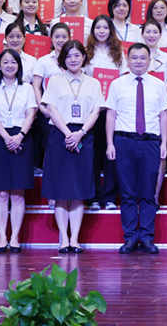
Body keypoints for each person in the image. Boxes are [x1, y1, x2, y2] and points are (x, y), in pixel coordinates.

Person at [105, 43, 167, 254]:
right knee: (128, 193)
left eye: (143, 58)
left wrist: (164, 143)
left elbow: (163, 116)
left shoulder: (158, 85)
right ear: (128, 59)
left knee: (148, 192)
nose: (139, 61)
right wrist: (110, 143)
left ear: (150, 60)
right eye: (134, 57)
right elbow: (111, 115)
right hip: (124, 141)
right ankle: (130, 237)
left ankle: (147, 237)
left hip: (150, 142)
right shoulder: (117, 84)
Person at [41, 40, 105, 253]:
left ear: (84, 57)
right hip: (60, 136)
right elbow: (51, 109)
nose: (73, 59)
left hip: (83, 135)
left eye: (77, 55)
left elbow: (96, 111)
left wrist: (80, 133)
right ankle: (64, 239)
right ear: (63, 59)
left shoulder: (93, 83)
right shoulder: (55, 81)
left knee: (78, 190)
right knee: (60, 190)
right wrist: (69, 134)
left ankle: (75, 239)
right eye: (69, 56)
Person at [0, 49, 37, 253]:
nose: (9, 65)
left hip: (22, 137)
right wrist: (7, 138)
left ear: (19, 66)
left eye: (13, 62)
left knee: (18, 193)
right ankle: (2, 237)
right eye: (5, 62)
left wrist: (20, 136)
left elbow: (31, 114)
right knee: (2, 192)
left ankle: (14, 238)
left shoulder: (27, 88)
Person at [85, 15, 127, 211]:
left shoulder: (118, 53)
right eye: (98, 27)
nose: (101, 31)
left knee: (112, 153)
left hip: (112, 110)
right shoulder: (86, 52)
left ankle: (109, 196)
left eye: (105, 28)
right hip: (92, 109)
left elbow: (124, 80)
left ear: (111, 30)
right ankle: (93, 196)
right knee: (92, 153)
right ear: (92, 30)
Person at [32, 22, 71, 194]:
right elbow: (36, 86)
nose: (61, 40)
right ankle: (51, 192)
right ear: (51, 39)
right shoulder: (43, 61)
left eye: (64, 37)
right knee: (51, 150)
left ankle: (67, 188)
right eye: (57, 37)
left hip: (70, 113)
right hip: (48, 112)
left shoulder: (74, 58)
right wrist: (42, 107)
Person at [142, 18, 167, 203]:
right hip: (141, 108)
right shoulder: (135, 56)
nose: (151, 35)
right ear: (142, 35)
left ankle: (155, 194)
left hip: (161, 108)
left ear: (161, 35)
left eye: (155, 32)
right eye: (148, 32)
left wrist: (163, 103)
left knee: (161, 149)